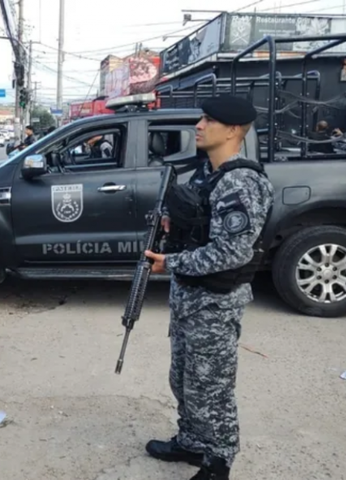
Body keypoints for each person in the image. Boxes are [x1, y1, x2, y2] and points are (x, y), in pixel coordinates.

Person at [143, 95, 275, 480]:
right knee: (184, 378)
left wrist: (171, 263)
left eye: (208, 120)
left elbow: (232, 251)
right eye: (200, 118)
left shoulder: (243, 183)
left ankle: (218, 460)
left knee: (212, 386)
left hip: (215, 303)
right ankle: (191, 442)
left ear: (233, 130)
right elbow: (199, 221)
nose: (198, 126)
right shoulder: (208, 174)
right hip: (189, 299)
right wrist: (173, 221)